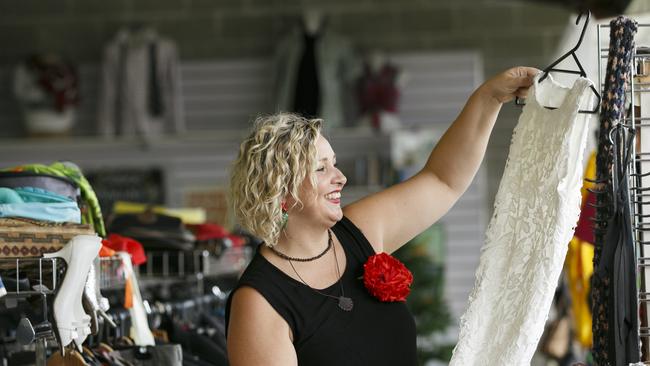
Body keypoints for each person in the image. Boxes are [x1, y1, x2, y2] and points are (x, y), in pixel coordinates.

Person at [226, 66, 539, 365]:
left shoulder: (358, 229)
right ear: (281, 194)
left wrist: (490, 96)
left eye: (334, 163)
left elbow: (443, 180)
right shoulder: (258, 303)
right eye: (321, 168)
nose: (340, 177)